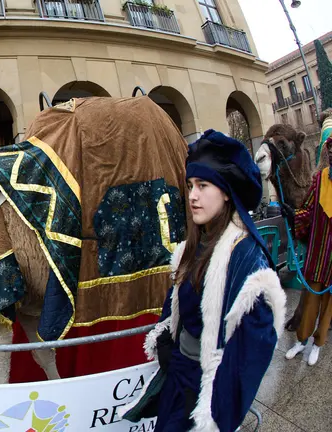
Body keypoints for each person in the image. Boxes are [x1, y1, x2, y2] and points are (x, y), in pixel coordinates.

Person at [121, 130, 285, 431]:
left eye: (203, 185)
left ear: (226, 191)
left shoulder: (246, 259)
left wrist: (215, 414)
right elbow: (175, 306)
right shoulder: (191, 248)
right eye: (190, 185)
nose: (192, 195)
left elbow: (251, 354)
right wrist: (166, 339)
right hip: (178, 379)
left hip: (209, 392)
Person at [285, 134, 332, 366]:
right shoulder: (320, 179)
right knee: (311, 297)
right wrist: (293, 215)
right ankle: (301, 341)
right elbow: (309, 209)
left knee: (329, 303)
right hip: (317, 252)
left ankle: (318, 343)